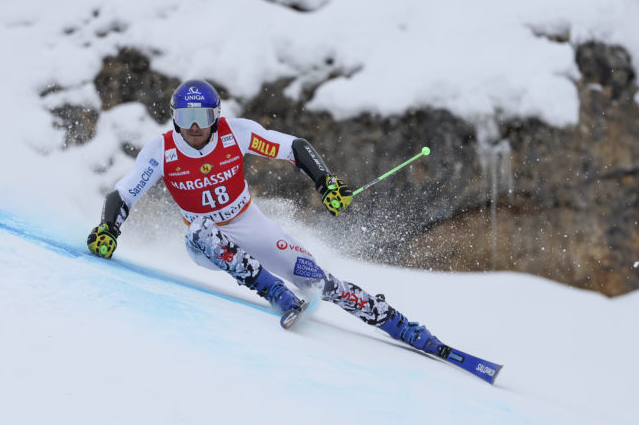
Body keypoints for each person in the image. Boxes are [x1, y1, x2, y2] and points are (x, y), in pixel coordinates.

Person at [87, 79, 444, 355]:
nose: (194, 127)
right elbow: (125, 192)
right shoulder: (162, 150)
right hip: (205, 243)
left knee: (316, 278)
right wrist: (108, 229)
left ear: (216, 116)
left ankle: (401, 327)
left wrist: (325, 183)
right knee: (200, 229)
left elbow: (294, 147)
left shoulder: (236, 133)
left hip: (247, 223)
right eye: (185, 118)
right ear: (174, 118)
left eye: (202, 118)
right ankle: (276, 293)